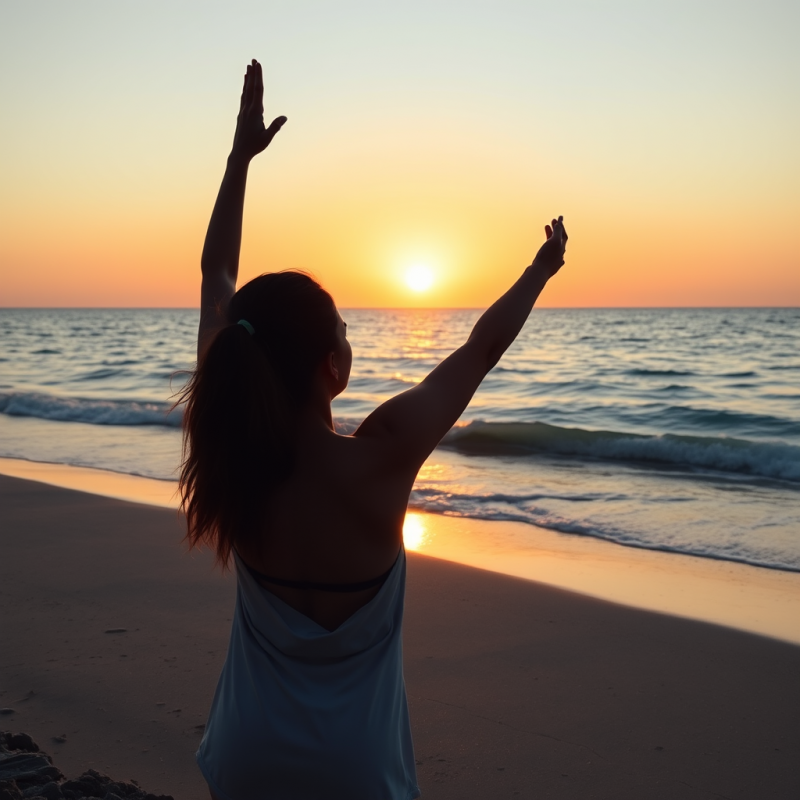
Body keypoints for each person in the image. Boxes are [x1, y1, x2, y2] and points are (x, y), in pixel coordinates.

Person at [181, 59, 567, 800]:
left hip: (246, 755)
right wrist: (539, 270)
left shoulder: (234, 457)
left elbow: (216, 277)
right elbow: (479, 351)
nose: (352, 337)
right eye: (346, 330)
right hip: (357, 772)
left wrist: (237, 161)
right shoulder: (383, 459)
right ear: (330, 367)